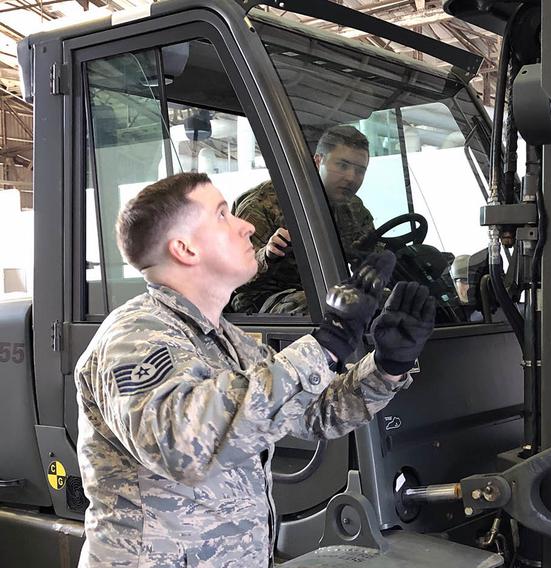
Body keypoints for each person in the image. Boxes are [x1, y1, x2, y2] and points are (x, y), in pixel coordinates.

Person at [73, 172, 435, 567]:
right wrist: (327, 342)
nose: (247, 226)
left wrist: (386, 367)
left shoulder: (229, 340)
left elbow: (311, 415)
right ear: (185, 248)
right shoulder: (135, 336)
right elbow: (182, 445)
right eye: (224, 215)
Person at [231, 125, 378, 315]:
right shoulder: (263, 203)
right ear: (318, 161)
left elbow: (373, 256)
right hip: (259, 303)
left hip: (321, 292)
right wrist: (267, 255)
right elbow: (234, 273)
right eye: (342, 165)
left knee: (391, 300)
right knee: (326, 303)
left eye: (360, 170)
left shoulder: (353, 209)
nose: (351, 177)